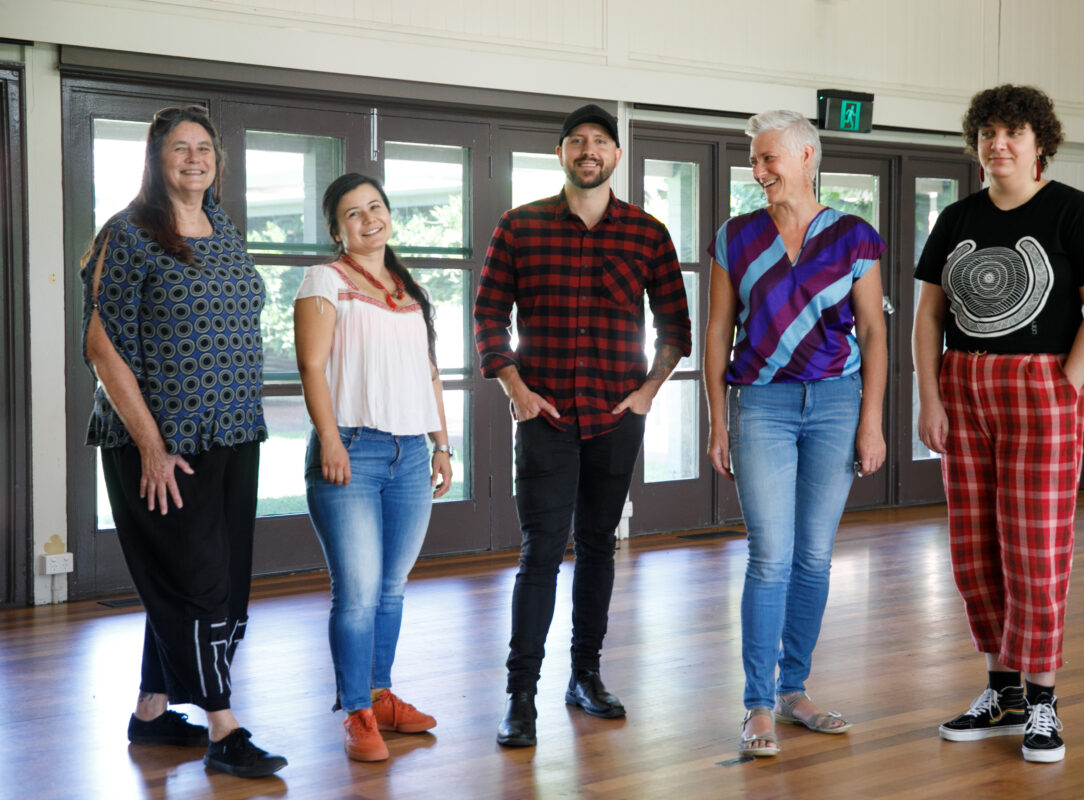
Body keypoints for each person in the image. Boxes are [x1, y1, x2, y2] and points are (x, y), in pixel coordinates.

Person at [913, 85, 1084, 764]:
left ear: (1040, 143)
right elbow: (928, 318)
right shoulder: (956, 217)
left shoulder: (1074, 212)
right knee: (975, 548)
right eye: (987, 134)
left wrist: (1063, 388)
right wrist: (931, 399)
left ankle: (1041, 703)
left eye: (1013, 133)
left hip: (1042, 390)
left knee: (1034, 551)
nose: (998, 145)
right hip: (963, 387)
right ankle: (1000, 693)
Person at [474, 104, 692, 748]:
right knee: (539, 552)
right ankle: (520, 698)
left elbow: (675, 327)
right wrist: (515, 387)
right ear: (562, 154)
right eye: (576, 142)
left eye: (600, 142)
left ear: (616, 156)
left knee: (599, 546)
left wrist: (649, 391)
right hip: (543, 414)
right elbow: (488, 316)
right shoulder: (520, 226)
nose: (588, 151)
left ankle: (586, 676)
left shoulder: (648, 234)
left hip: (614, 415)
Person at [80, 105, 286, 779]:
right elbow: (102, 349)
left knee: (214, 582)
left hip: (231, 433)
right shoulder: (130, 232)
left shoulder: (223, 228)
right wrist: (150, 446)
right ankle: (223, 730)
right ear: (155, 158)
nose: (194, 158)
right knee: (195, 584)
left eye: (205, 148)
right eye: (179, 148)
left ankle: (152, 712)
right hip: (161, 443)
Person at [704, 110, 888, 758]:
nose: (758, 172)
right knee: (771, 556)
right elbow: (718, 333)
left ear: (806, 158)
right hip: (762, 405)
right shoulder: (735, 237)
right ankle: (757, 703)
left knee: (813, 556)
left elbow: (872, 333)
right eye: (754, 161)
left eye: (768, 160)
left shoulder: (855, 237)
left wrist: (871, 419)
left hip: (837, 404)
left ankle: (794, 691)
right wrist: (717, 419)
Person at [294, 173, 452, 762]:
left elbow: (428, 373)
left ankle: (381, 694)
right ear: (337, 228)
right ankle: (356, 710)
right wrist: (330, 441)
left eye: (376, 207)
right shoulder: (325, 280)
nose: (369, 219)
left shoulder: (407, 288)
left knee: (391, 587)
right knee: (357, 593)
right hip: (352, 450)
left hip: (411, 452)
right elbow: (312, 366)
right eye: (353, 213)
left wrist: (443, 444)